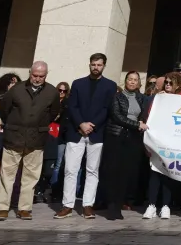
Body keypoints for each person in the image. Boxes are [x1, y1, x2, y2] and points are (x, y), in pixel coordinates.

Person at [0, 61, 60, 221]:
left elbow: (54, 112)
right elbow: (5, 110)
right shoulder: (17, 89)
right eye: (34, 75)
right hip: (14, 137)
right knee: (7, 173)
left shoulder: (52, 92)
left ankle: (24, 208)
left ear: (46, 75)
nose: (37, 79)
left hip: (36, 139)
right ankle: (2, 207)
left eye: (41, 76)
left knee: (31, 176)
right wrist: (14, 125)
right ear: (30, 72)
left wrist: (39, 126)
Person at [56, 52, 117, 220]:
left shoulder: (110, 85)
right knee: (70, 169)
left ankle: (87, 205)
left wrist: (92, 125)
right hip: (76, 132)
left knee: (92, 170)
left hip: (96, 133)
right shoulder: (78, 84)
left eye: (99, 65)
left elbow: (107, 109)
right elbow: (72, 106)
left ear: (104, 66)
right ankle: (67, 205)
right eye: (93, 64)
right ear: (89, 64)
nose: (96, 67)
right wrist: (81, 124)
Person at [103, 71, 148, 220]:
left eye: (135, 80)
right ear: (126, 81)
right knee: (114, 172)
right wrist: (136, 124)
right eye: (130, 79)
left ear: (138, 83)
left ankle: (119, 205)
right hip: (117, 136)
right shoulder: (117, 97)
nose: (132, 82)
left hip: (133, 138)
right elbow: (117, 116)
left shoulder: (141, 98)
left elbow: (144, 115)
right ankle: (111, 206)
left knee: (126, 174)